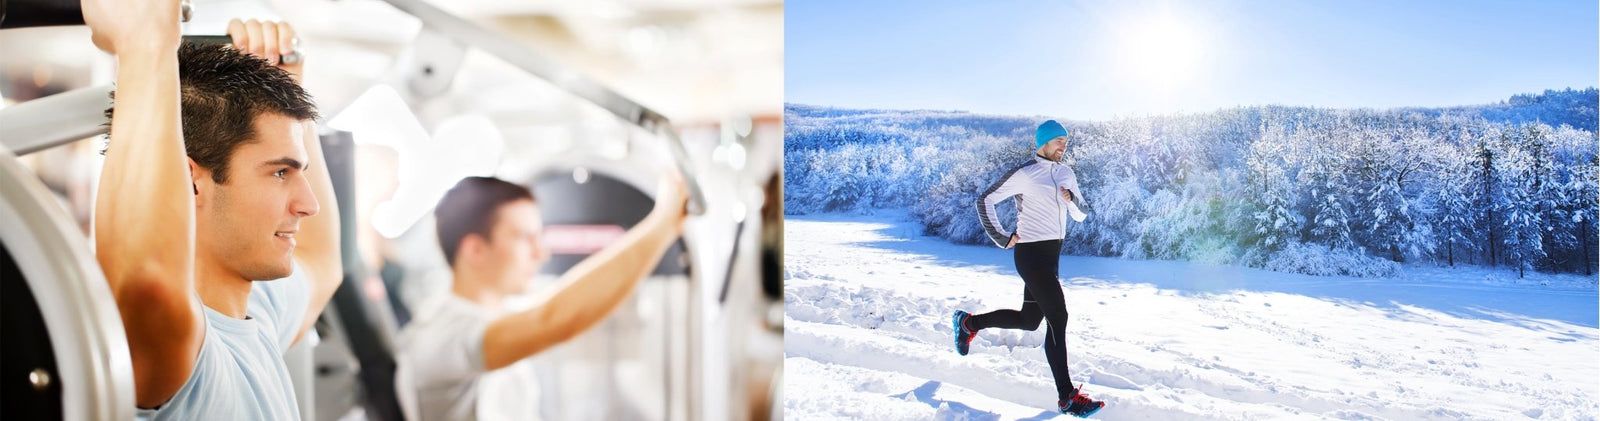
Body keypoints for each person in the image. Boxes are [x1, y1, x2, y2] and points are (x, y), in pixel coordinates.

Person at [86, 1, 339, 417]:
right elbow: (147, 284)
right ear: (190, 183)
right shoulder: (181, 360)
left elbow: (323, 264)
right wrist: (143, 43)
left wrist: (286, 87)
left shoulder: (256, 314)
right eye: (280, 173)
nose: (308, 205)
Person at [394, 174, 688, 421]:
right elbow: (556, 318)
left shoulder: (494, 315)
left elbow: (556, 307)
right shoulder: (445, 334)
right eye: (525, 238)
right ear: (475, 250)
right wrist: (662, 224)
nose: (541, 253)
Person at [952, 120, 1104, 417]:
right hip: (1030, 255)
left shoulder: (1066, 174)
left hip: (1051, 257)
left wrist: (1071, 199)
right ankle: (1067, 397)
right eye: (1059, 140)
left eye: (1067, 141)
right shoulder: (1026, 173)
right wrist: (1002, 237)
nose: (1064, 146)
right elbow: (985, 200)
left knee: (1029, 319)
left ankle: (968, 323)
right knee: (1057, 317)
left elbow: (1082, 214)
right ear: (1043, 141)